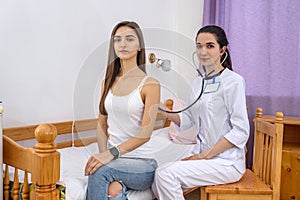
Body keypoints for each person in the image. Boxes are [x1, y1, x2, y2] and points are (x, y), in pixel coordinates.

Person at [152, 25, 250, 200]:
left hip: (226, 161)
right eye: (199, 46)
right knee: (156, 176)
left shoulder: (233, 81)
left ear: (222, 50)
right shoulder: (198, 82)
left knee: (165, 175)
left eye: (210, 46)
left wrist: (203, 156)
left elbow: (241, 131)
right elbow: (187, 120)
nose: (203, 51)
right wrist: (159, 107)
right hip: (204, 156)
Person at [85, 21, 160, 200]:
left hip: (142, 164)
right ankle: (118, 186)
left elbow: (145, 133)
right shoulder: (107, 82)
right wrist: (103, 155)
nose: (123, 44)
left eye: (129, 39)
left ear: (139, 45)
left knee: (99, 171)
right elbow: (101, 125)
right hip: (116, 160)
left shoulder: (150, 85)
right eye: (117, 40)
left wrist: (109, 156)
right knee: (113, 192)